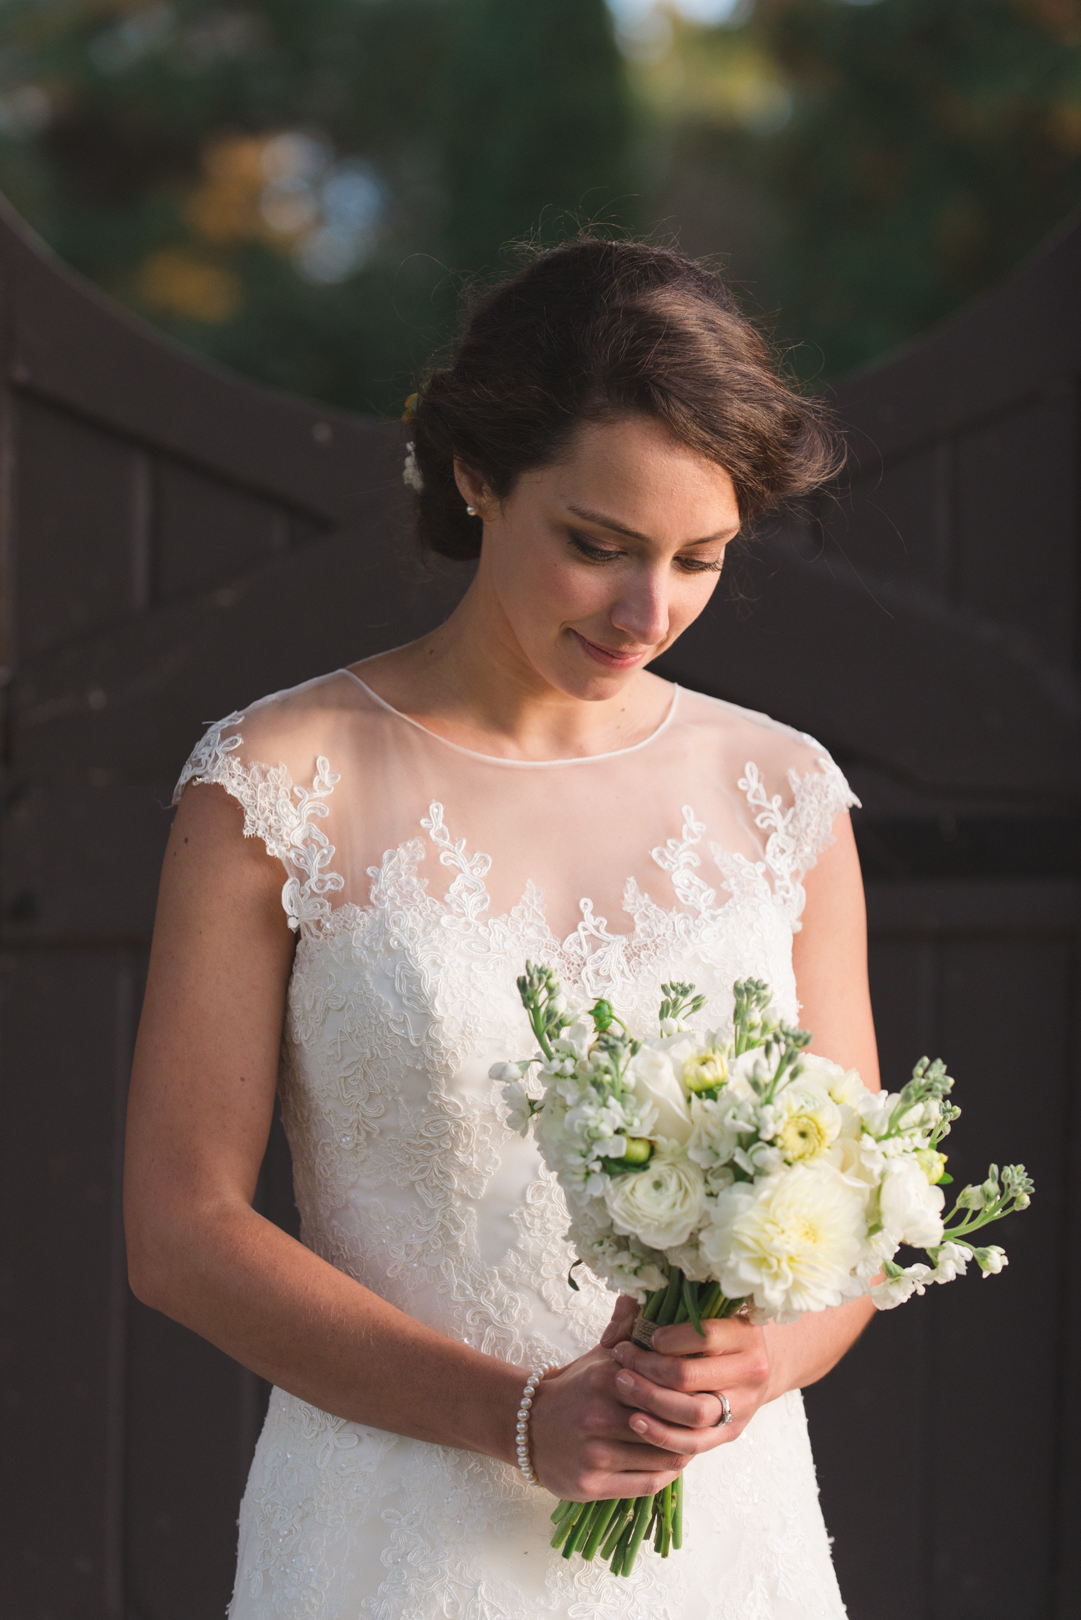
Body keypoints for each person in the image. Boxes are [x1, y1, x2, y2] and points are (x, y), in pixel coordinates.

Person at [124, 237, 880, 1620]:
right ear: (475, 476)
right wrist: (518, 1418)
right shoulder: (275, 783)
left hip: (719, 1535)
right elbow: (179, 1230)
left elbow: (853, 1211)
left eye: (698, 559)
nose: (646, 614)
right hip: (388, 1534)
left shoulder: (782, 794)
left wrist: (746, 1367)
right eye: (596, 546)